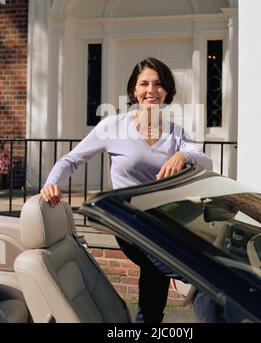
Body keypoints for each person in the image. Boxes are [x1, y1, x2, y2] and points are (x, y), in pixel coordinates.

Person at [40, 57, 213, 323]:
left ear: (166, 91)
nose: (151, 91)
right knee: (204, 278)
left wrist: (182, 156)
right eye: (144, 84)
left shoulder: (175, 132)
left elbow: (204, 160)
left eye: (158, 84)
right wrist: (52, 182)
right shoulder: (114, 126)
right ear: (134, 90)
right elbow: (71, 160)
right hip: (130, 225)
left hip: (166, 222)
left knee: (153, 296)